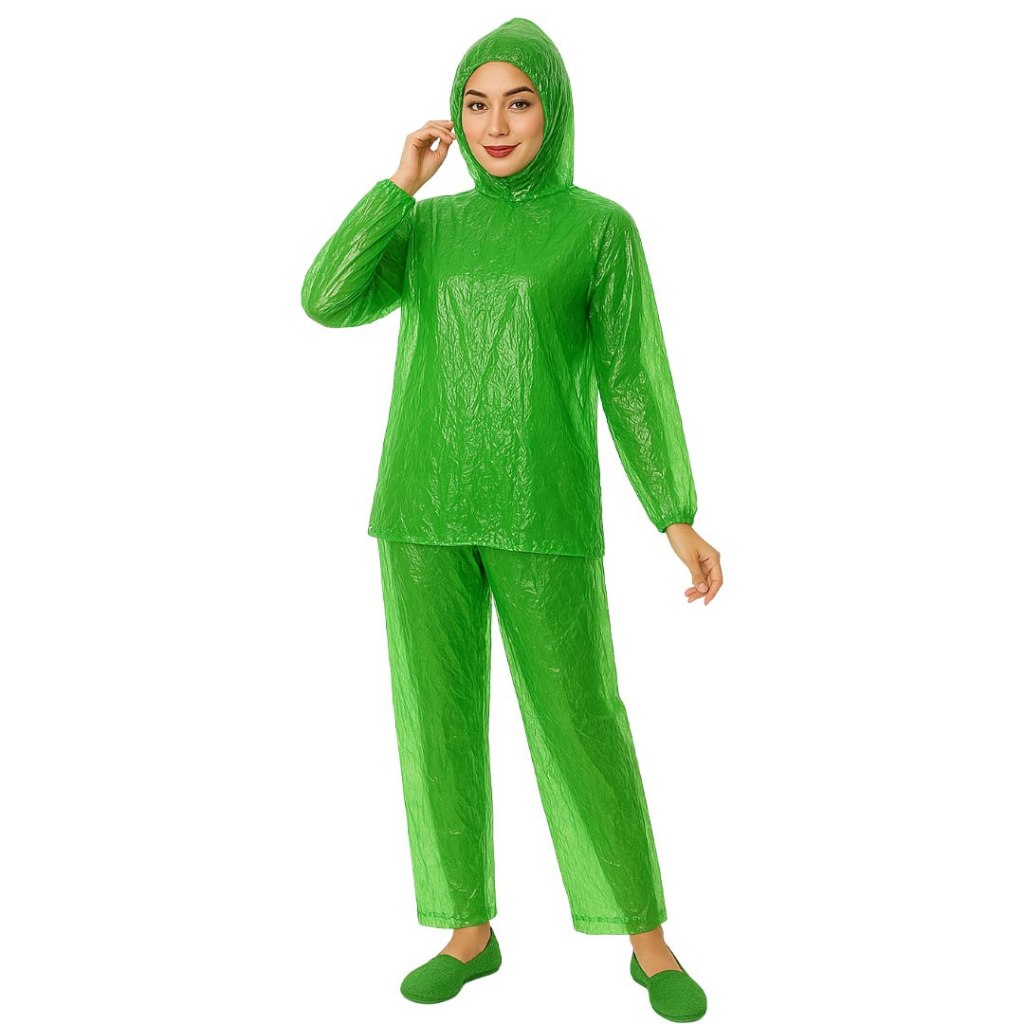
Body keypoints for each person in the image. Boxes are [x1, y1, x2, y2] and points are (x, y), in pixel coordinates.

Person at [300, 16, 722, 1022]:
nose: (495, 125)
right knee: (437, 722)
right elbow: (325, 299)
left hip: (543, 508)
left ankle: (647, 939)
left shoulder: (598, 228)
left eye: (518, 103)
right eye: (477, 104)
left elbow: (632, 377)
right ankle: (467, 930)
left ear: (553, 111)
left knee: (582, 718)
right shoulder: (428, 227)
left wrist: (674, 513)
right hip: (421, 504)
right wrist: (398, 187)